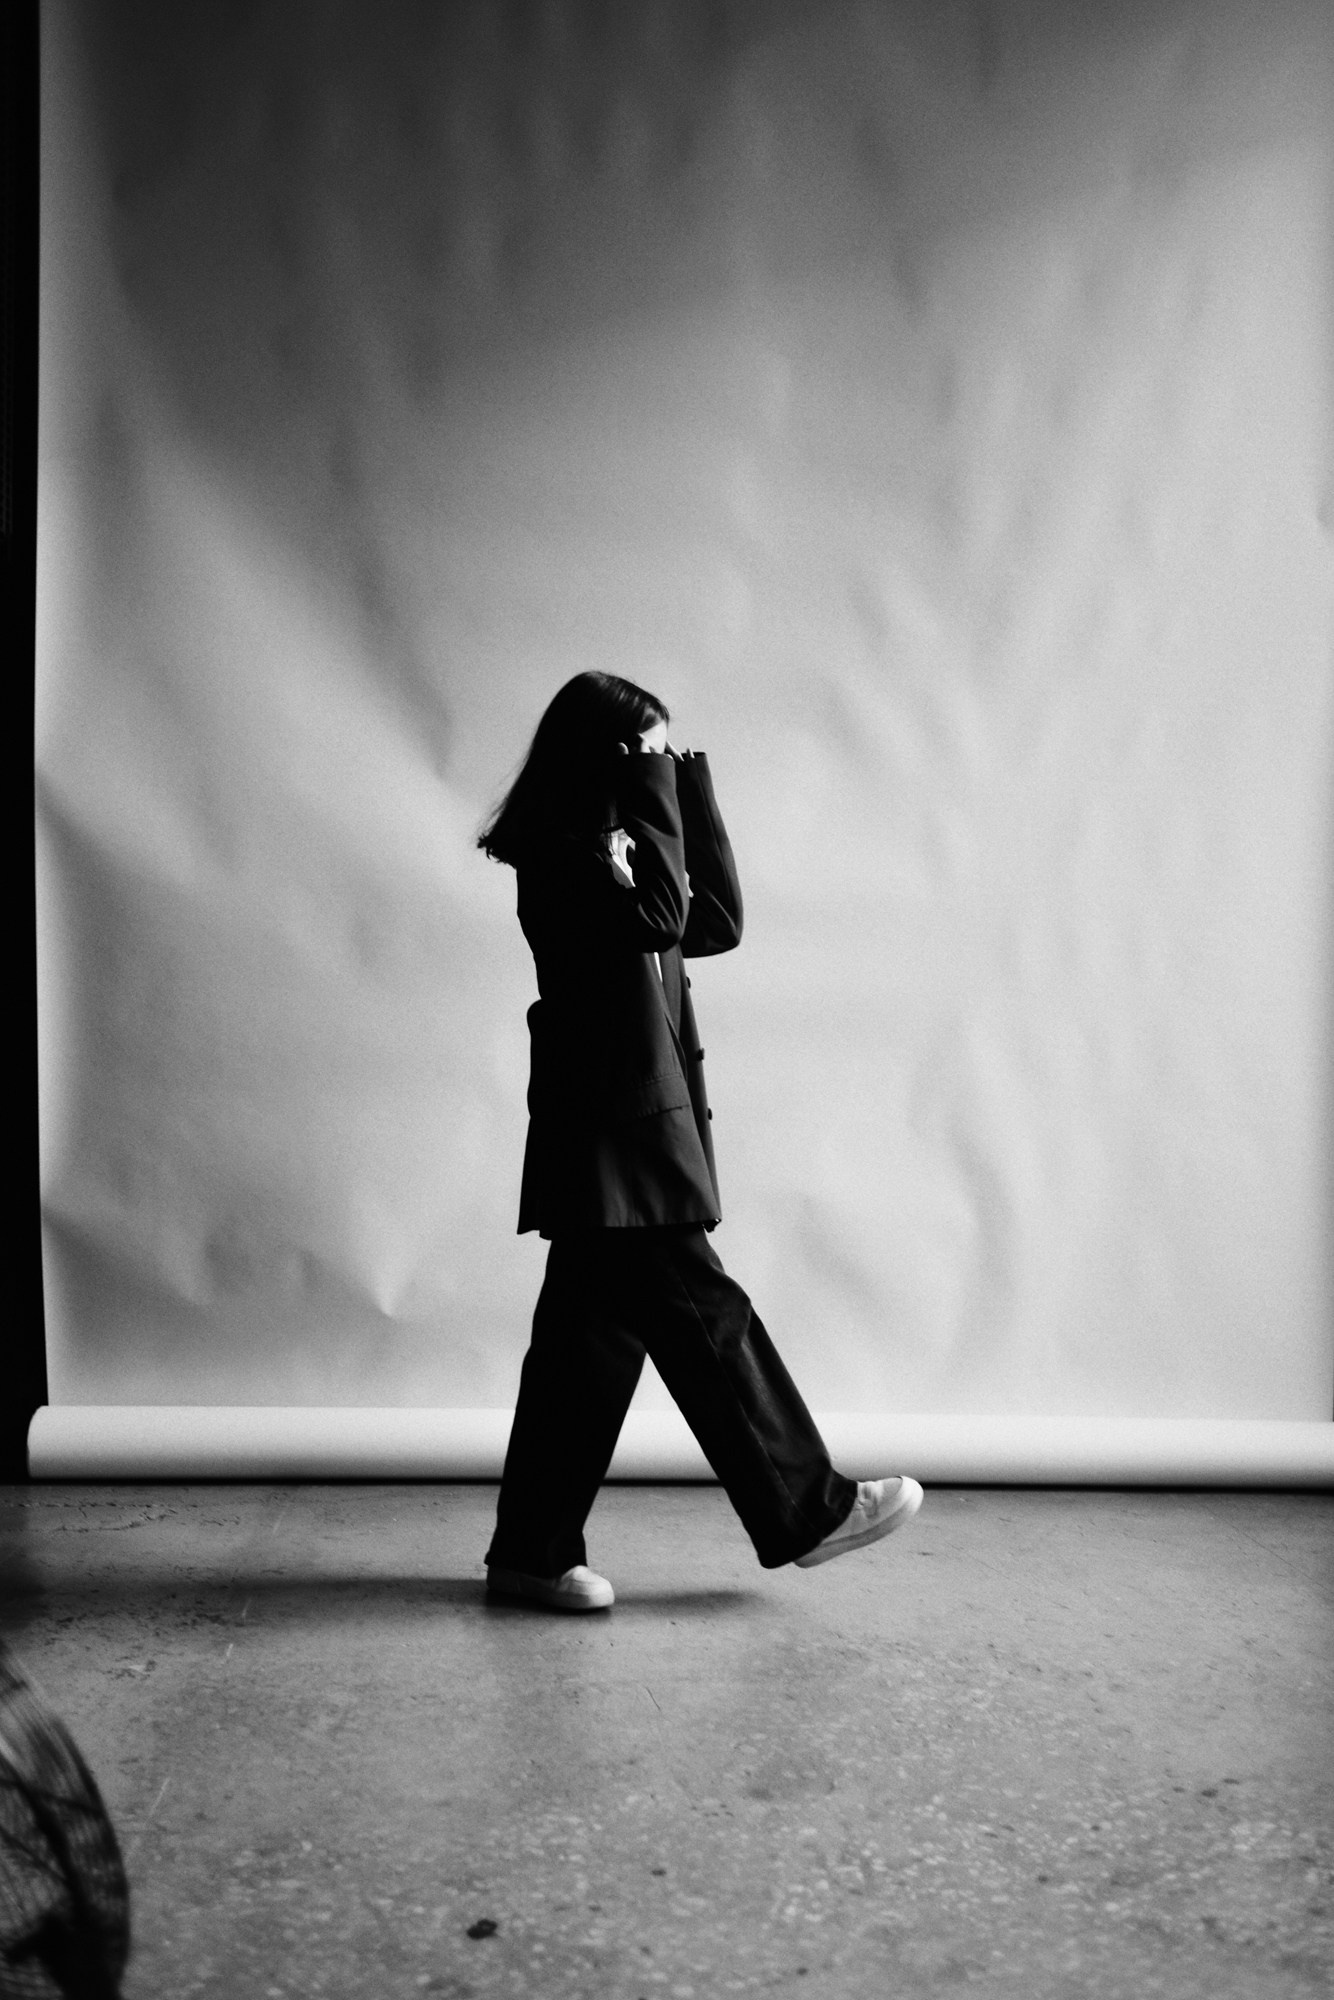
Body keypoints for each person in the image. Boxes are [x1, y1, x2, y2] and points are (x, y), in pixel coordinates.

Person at [476, 671, 922, 1611]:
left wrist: (689, 787)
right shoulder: (559, 853)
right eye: (644, 753)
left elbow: (712, 923)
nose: (657, 770)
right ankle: (808, 1510)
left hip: (623, 1136)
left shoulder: (620, 849)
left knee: (583, 1353)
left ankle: (530, 1552)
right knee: (705, 1314)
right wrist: (650, 796)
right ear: (598, 757)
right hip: (613, 1139)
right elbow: (659, 920)